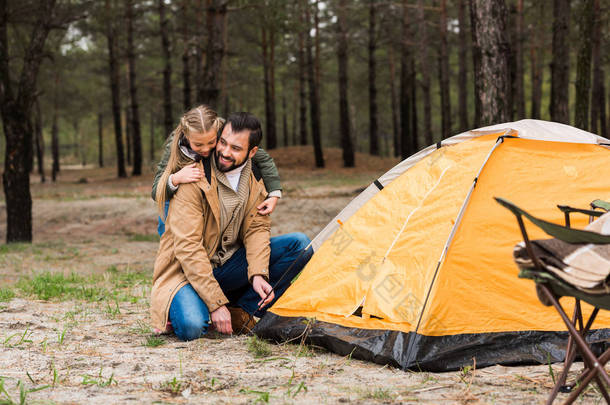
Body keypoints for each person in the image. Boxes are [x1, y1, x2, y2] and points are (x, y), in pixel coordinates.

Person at [150, 112, 312, 340]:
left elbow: (256, 229)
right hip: (188, 271)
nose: (225, 152)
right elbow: (188, 248)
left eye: (236, 148)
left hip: (227, 265)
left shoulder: (255, 177)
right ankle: (197, 304)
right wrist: (215, 304)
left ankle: (241, 309)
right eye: (223, 143)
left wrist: (258, 273)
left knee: (299, 245)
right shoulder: (191, 175)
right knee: (192, 328)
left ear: (251, 152)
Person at [151, 105, 282, 236]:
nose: (206, 149)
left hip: (212, 189)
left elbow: (263, 158)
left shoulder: (224, 130)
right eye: (198, 144)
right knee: (168, 229)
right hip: (181, 195)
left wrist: (274, 193)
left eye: (211, 142)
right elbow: (157, 191)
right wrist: (175, 178)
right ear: (186, 135)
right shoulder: (174, 146)